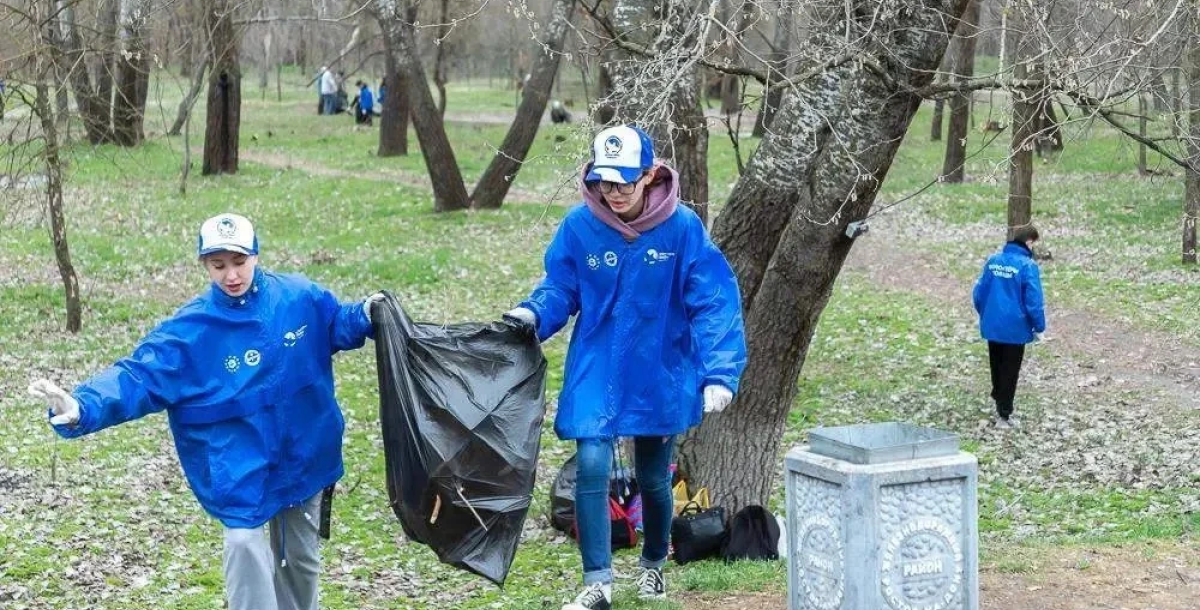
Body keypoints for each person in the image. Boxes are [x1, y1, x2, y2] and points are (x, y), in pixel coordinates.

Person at [29, 213, 386, 610]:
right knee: (243, 543)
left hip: (304, 454)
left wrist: (367, 314)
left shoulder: (297, 297)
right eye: (218, 265)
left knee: (300, 563)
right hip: (239, 464)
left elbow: (336, 322)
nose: (231, 275)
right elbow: (139, 377)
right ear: (205, 265)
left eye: (239, 262)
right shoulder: (191, 331)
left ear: (255, 255)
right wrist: (83, 406)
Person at [504, 125, 747, 610]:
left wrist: (720, 373)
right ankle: (598, 582)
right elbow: (561, 287)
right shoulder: (579, 226)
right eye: (603, 182)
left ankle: (654, 563)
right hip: (597, 364)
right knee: (591, 465)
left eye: (623, 183)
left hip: (660, 369)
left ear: (650, 175)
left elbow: (714, 302)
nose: (612, 193)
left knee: (654, 478)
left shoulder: (681, 230)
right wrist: (535, 312)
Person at [972, 224, 1046, 429]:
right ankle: (1004, 413)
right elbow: (1034, 300)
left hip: (993, 325)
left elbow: (978, 293)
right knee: (1010, 370)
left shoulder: (993, 261)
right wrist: (1039, 327)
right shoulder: (1027, 266)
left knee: (996, 364)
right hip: (1016, 328)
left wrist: (987, 314)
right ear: (1029, 242)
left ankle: (999, 400)